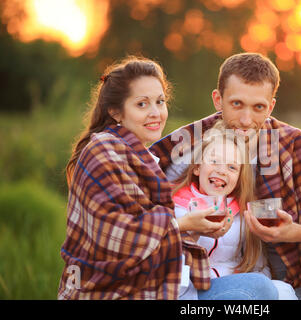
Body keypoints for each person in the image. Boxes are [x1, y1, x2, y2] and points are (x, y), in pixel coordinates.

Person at [150, 52, 301, 300]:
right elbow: (137, 206)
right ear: (218, 100)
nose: (245, 120)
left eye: (258, 107)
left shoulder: (295, 145)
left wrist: (294, 232)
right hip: (247, 288)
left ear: (271, 106)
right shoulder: (191, 146)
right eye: (236, 104)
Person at [58, 56, 277, 300]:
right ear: (116, 111)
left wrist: (191, 233)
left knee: (262, 288)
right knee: (258, 291)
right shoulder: (103, 151)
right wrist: (183, 225)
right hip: (111, 292)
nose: (155, 113)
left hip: (153, 287)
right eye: (142, 104)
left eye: (160, 102)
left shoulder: (144, 158)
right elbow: (116, 236)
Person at [172, 120, 297, 299]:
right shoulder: (176, 206)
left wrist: (247, 282)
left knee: (282, 290)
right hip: (188, 290)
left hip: (234, 288)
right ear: (198, 167)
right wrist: (193, 234)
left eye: (232, 167)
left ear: (239, 178)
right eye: (214, 161)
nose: (222, 171)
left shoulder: (243, 211)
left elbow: (258, 267)